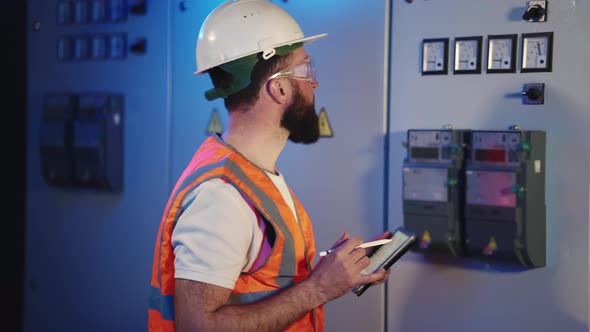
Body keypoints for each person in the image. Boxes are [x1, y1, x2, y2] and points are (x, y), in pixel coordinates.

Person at [148, 1, 391, 331]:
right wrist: (319, 288)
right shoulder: (221, 197)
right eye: (306, 70)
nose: (314, 84)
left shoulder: (251, 176)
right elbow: (198, 326)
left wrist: (331, 272)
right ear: (278, 88)